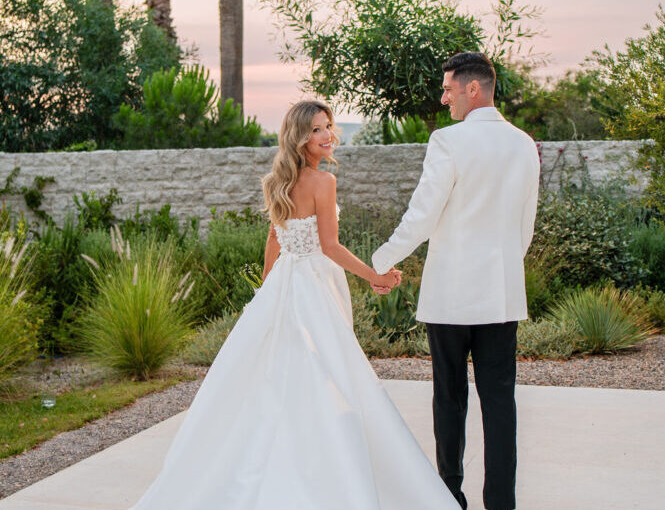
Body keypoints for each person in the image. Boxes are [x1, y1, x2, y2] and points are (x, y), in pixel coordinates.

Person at [126, 99, 461, 510]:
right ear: (301, 138)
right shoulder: (324, 183)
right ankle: (317, 458)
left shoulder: (277, 182)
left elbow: (274, 239)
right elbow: (330, 246)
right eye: (318, 129)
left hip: (287, 280)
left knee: (286, 370)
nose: (328, 135)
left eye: (329, 126)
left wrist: (267, 291)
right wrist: (374, 275)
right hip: (314, 283)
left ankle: (287, 448)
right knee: (329, 370)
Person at [372, 52, 541, 510]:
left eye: (448, 89)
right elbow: (525, 226)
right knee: (500, 403)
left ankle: (450, 496)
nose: (443, 98)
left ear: (473, 89)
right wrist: (502, 268)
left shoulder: (447, 141)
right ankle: (500, 503)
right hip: (501, 296)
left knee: (449, 398)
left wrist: (380, 262)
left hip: (450, 296)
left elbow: (421, 216)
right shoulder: (524, 143)